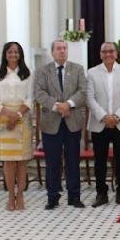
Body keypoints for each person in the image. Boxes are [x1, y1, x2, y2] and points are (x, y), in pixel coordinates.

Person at [34, 39, 87, 210]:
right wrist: (58, 106)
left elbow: (83, 91)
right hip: (51, 122)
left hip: (72, 121)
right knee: (53, 162)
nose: (62, 51)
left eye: (64, 48)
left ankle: (74, 196)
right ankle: (52, 197)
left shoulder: (78, 69)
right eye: (58, 48)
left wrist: (69, 104)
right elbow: (39, 93)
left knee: (73, 160)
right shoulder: (43, 71)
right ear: (52, 52)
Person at [87, 42, 120, 207]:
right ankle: (101, 193)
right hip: (99, 123)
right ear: (100, 54)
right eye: (104, 51)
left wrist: (116, 116)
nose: (108, 54)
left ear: (117, 54)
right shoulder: (92, 73)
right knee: (99, 160)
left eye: (111, 51)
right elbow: (89, 98)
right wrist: (104, 116)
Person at [0, 42, 33, 211]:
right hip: (3, 118)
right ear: (5, 54)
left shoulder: (28, 73)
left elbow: (30, 98)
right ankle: (10, 197)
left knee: (22, 161)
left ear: (20, 54)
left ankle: (21, 196)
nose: (13, 55)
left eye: (16, 52)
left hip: (22, 118)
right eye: (10, 52)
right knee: (8, 162)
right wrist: (8, 114)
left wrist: (18, 115)